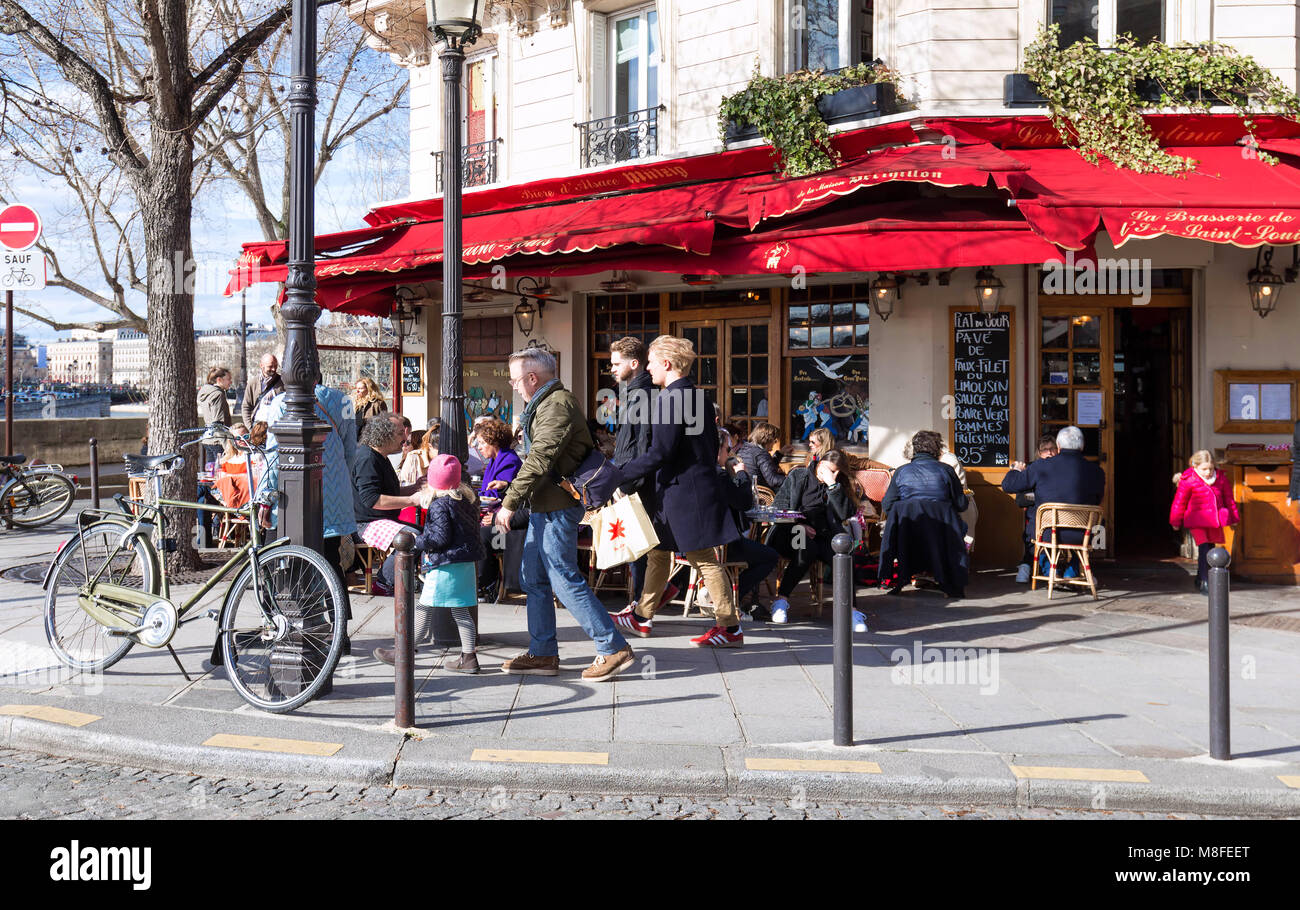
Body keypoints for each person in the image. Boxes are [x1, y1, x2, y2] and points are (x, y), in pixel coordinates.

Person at [494, 346, 634, 680]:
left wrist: (510, 501)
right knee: (534, 578)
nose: (513, 386)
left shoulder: (557, 405)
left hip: (557, 506)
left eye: (515, 381)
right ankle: (542, 653)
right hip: (545, 505)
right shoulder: (544, 404)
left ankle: (612, 646)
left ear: (532, 377)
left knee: (562, 577)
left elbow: (540, 458)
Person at [611, 335, 747, 648]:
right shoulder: (698, 397)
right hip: (689, 489)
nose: (648, 367)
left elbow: (660, 453)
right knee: (659, 554)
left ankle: (730, 627)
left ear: (667, 364)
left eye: (651, 362)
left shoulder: (670, 399)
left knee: (704, 560)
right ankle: (642, 616)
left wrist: (618, 475)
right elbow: (710, 447)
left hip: (682, 493)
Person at [247, 376, 358, 657]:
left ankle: (280, 623)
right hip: (333, 495)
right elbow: (350, 452)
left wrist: (263, 497)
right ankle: (340, 632)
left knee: (281, 562)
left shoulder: (281, 403)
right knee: (332, 565)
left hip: (290, 498)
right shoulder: (343, 401)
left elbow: (274, 455)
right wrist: (334, 477)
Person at [374, 454, 486, 670]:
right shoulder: (467, 500)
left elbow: (439, 538)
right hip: (465, 564)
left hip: (445, 566)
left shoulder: (439, 505)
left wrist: (418, 542)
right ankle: (469, 657)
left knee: (424, 608)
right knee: (461, 611)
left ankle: (403, 652)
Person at [1000, 425, 1106, 579]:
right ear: (1082, 446)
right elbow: (1097, 500)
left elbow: (1008, 485)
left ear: (1058, 446)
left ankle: (1050, 569)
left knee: (1034, 521)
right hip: (1084, 535)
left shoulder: (1041, 466)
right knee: (1100, 523)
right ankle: (1073, 569)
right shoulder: (1097, 472)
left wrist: (1015, 469)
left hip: (1048, 533)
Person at [767, 448, 858, 623]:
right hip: (792, 531)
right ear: (821, 465)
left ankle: (851, 611)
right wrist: (800, 524)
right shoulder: (800, 476)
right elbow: (779, 507)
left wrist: (832, 485)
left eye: (838, 472)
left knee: (844, 555)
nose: (835, 475)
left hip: (823, 536)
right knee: (806, 548)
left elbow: (845, 514)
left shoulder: (837, 484)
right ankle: (781, 601)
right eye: (832, 471)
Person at [878, 430, 970, 598]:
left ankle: (903, 578)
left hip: (908, 534)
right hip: (942, 533)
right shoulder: (946, 470)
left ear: (915, 449)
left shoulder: (901, 471)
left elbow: (887, 504)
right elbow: (961, 504)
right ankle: (949, 581)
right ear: (937, 449)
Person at [353, 414, 426, 594]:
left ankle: (406, 581)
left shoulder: (379, 456)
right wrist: (411, 500)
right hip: (365, 524)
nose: (405, 438)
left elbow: (387, 492)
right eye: (401, 433)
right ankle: (383, 583)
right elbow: (373, 500)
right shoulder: (367, 458)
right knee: (412, 539)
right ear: (384, 435)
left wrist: (413, 488)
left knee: (425, 533)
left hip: (377, 520)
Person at [609, 336, 656, 608]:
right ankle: (644, 601)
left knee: (639, 547)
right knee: (637, 546)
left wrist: (627, 482)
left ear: (634, 363)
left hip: (635, 482)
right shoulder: (634, 394)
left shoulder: (641, 395)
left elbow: (642, 445)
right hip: (630, 478)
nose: (612, 369)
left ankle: (641, 603)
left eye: (617, 363)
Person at [716, 427, 779, 618]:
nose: (731, 453)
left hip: (699, 542)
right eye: (727, 449)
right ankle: (734, 597)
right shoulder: (720, 475)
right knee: (769, 556)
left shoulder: (699, 471)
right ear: (719, 450)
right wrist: (741, 474)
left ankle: (733, 596)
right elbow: (742, 502)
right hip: (723, 543)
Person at [1170, 450, 1239, 595]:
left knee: (1211, 548)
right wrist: (1175, 521)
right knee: (1204, 548)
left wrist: (1234, 518)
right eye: (1204, 469)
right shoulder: (1188, 480)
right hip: (1197, 520)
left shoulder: (1220, 479)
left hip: (1214, 520)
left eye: (1211, 468)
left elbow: (1229, 499)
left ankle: (1200, 577)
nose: (1208, 472)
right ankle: (1205, 581)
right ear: (1195, 466)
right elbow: (1179, 502)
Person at [473, 417, 523, 599]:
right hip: (491, 515)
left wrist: (503, 485)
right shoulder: (494, 461)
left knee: (482, 535)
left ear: (493, 442)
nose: (479, 447)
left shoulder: (509, 460)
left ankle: (486, 583)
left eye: (481, 443)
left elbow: (506, 492)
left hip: (508, 522)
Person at [1010, 435, 1059, 583]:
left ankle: (1027, 565)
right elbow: (1021, 499)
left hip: (1059, 518)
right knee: (1033, 520)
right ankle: (1028, 564)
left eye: (1052, 449)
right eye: (1045, 450)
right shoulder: (1032, 468)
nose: (1049, 453)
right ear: (1039, 452)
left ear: (1058, 450)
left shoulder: (1062, 469)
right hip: (1039, 516)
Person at [735, 421, 787, 492]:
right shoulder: (761, 453)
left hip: (743, 490)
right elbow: (772, 480)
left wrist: (779, 454)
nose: (775, 443)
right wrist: (791, 479)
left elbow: (765, 468)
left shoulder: (744, 448)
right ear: (768, 439)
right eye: (774, 441)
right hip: (760, 495)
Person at [198, 367, 234, 468]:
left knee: (211, 472)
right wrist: (227, 446)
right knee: (219, 472)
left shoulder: (207, 393)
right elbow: (218, 423)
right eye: (228, 379)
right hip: (218, 441)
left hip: (208, 439)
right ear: (219, 380)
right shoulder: (218, 395)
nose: (230, 382)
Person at [241, 353, 283, 428]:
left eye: (275, 366)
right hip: (258, 425)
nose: (273, 369)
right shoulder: (253, 383)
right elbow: (246, 407)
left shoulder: (283, 382)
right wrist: (250, 428)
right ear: (261, 366)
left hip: (277, 424)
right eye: (270, 366)